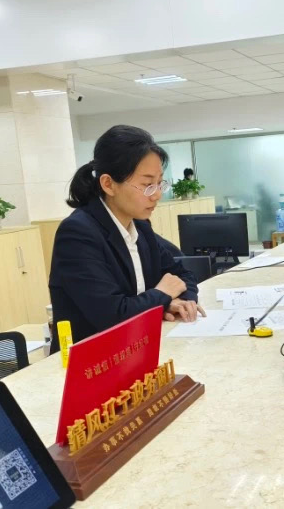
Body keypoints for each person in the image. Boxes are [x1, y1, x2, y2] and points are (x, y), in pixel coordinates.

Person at [50, 125, 205, 350]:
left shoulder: (140, 226)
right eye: (147, 185)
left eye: (159, 183)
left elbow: (182, 274)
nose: (157, 195)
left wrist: (179, 301)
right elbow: (112, 315)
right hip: (95, 359)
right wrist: (162, 295)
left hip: (137, 347)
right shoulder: (78, 234)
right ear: (108, 184)